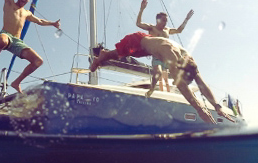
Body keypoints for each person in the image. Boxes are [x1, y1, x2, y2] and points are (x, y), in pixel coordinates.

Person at [90, 33, 234, 124]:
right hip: (138, 41)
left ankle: (104, 55)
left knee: (121, 54)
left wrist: (217, 106)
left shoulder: (189, 61)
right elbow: (181, 86)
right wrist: (200, 109)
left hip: (150, 44)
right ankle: (103, 55)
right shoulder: (170, 55)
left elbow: (202, 84)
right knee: (118, 54)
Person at [136, 0, 194, 92]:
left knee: (181, 67)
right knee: (158, 73)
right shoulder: (152, 27)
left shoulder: (167, 30)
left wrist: (186, 19)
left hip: (168, 55)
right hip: (157, 55)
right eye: (163, 20)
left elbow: (179, 30)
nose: (165, 22)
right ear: (158, 20)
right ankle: (152, 88)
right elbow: (138, 23)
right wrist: (142, 9)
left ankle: (177, 83)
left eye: (166, 21)